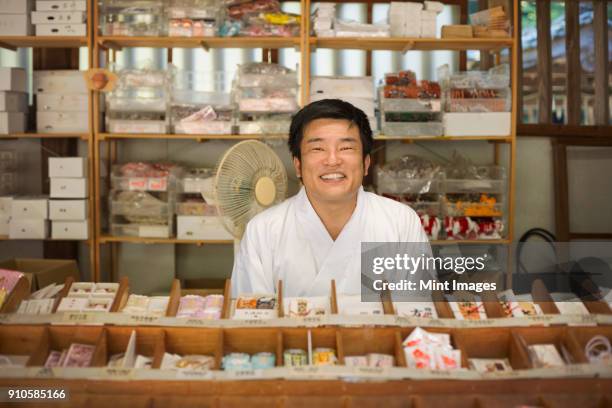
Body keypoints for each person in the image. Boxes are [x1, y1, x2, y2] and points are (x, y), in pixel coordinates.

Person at [231, 99, 429, 297]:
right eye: (318, 149)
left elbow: (417, 310)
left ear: (366, 163)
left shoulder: (401, 222)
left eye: (346, 148)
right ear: (298, 165)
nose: (333, 160)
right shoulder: (263, 230)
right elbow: (250, 316)